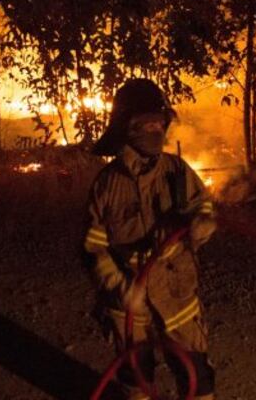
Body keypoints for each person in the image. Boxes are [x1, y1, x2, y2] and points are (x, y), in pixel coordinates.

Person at [83, 78, 218, 400]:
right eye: (148, 123)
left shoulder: (177, 171)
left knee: (195, 373)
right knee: (136, 376)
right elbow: (93, 248)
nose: (157, 129)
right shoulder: (106, 186)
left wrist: (202, 223)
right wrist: (120, 287)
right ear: (127, 127)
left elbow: (204, 207)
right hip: (129, 303)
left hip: (176, 294)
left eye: (160, 122)